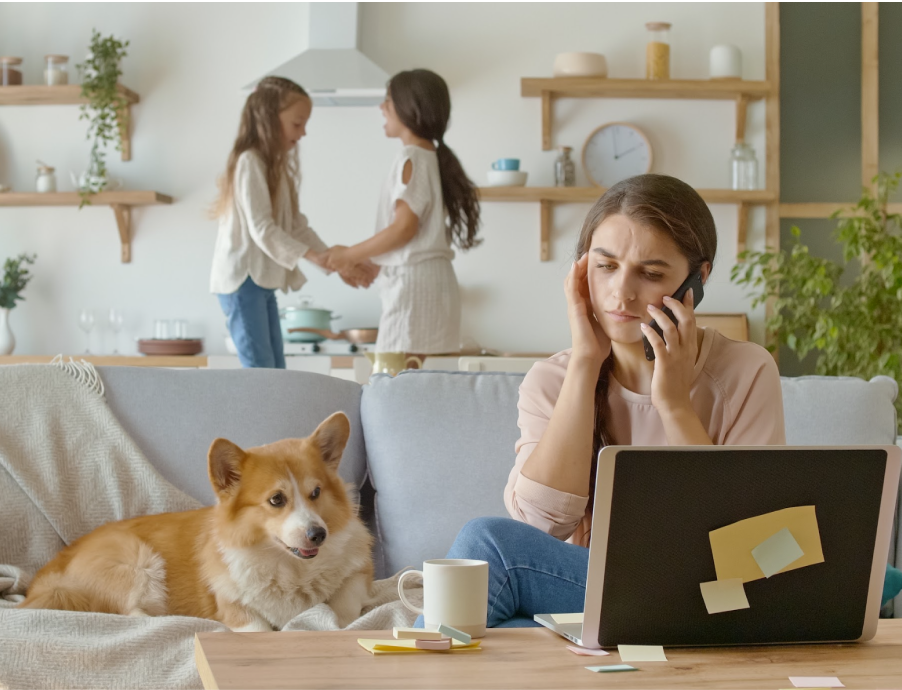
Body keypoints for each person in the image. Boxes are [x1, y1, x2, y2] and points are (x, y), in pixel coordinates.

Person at [437, 174, 788, 628]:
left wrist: (674, 403)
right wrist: (585, 363)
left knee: (487, 546)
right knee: (512, 631)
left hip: (711, 596)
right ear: (581, 271)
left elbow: (745, 545)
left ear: (697, 281)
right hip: (602, 605)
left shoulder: (747, 371)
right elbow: (542, 526)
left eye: (651, 273)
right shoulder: (553, 380)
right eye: (605, 267)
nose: (621, 293)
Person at [209, 76, 377, 368]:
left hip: (260, 281)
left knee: (275, 372)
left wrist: (333, 262)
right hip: (243, 281)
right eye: (297, 124)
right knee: (263, 374)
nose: (303, 133)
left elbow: (296, 225)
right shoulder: (250, 162)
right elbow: (263, 229)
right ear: (268, 119)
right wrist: (320, 257)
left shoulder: (275, 168)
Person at [325, 69, 481, 362]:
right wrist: (372, 263)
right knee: (427, 384)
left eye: (387, 100)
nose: (381, 107)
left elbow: (404, 229)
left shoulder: (412, 157)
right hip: (429, 284)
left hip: (415, 290)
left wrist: (350, 255)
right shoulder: (429, 157)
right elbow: (416, 233)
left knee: (396, 383)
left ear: (410, 107)